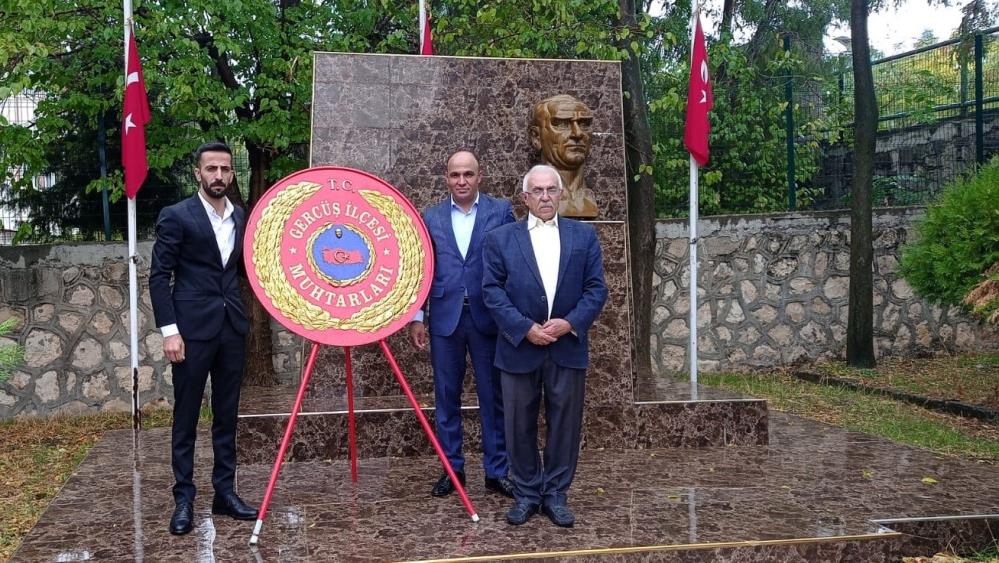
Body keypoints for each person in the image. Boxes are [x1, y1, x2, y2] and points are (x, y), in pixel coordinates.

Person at [482, 164, 608, 528]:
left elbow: (596, 288)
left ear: (561, 194)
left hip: (566, 346)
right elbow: (491, 292)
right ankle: (526, 494)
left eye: (551, 189)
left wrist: (570, 322)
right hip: (520, 348)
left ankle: (555, 494)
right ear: (525, 198)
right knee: (518, 425)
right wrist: (524, 328)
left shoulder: (583, 238)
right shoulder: (501, 239)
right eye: (537, 191)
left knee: (565, 424)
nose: (545, 197)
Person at [149, 141, 258, 536]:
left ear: (232, 174)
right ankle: (184, 499)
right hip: (191, 334)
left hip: (231, 329)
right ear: (198, 173)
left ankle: (224, 493)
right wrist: (170, 331)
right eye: (211, 169)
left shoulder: (240, 217)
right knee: (187, 416)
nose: (218, 176)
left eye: (225, 170)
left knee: (227, 415)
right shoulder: (176, 215)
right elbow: (159, 277)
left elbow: (247, 269)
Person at [408, 150, 517, 499]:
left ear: (480, 176)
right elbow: (422, 268)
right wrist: (417, 316)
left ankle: (496, 471)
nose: (462, 181)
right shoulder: (432, 216)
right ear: (446, 177)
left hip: (489, 317)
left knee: (493, 397)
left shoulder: (500, 212)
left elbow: (514, 263)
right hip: (445, 318)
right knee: (446, 397)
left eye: (468, 174)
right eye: (455, 175)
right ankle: (451, 469)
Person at [529, 94, 597, 218]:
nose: (577, 133)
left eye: (583, 124)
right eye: (562, 124)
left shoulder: (589, 200)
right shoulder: (532, 198)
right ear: (536, 137)